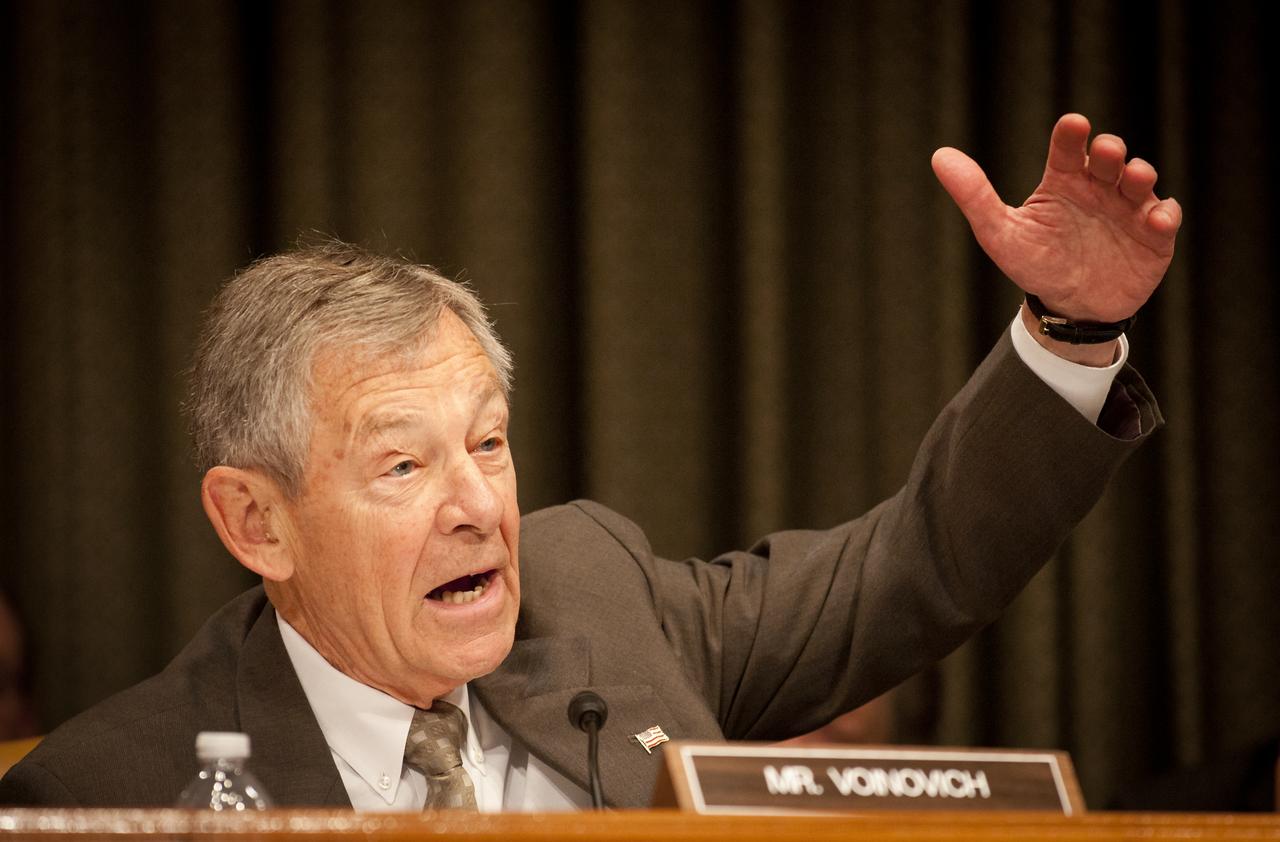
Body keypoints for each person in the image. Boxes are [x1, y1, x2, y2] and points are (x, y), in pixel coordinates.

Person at [0, 114, 1179, 810]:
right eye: (403, 466)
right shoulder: (106, 789)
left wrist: (1068, 333)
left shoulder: (597, 597)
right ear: (256, 521)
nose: (477, 504)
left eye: (488, 441)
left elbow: (909, 566)